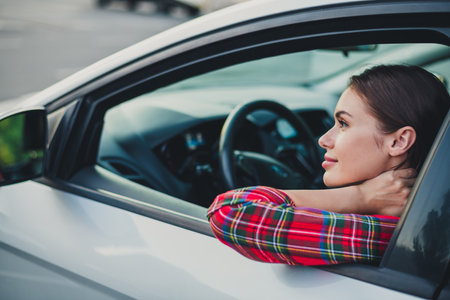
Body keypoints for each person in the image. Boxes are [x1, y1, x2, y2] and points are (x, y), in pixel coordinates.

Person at [207, 65, 450, 266]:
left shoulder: (389, 233)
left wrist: (363, 196)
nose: (323, 140)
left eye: (343, 124)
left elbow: (230, 212)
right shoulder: (422, 221)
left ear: (398, 141)